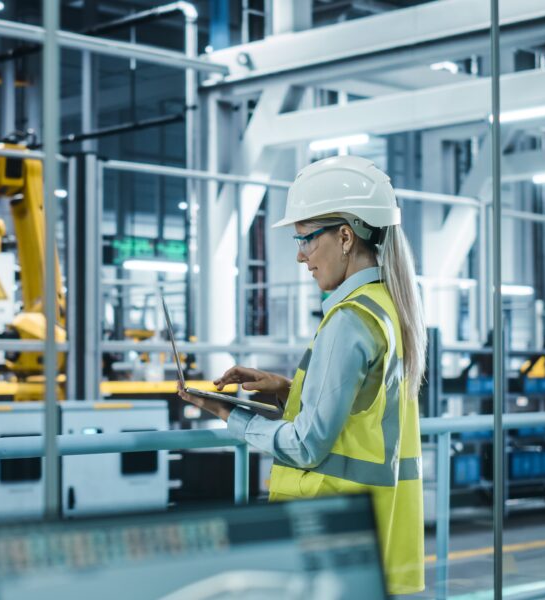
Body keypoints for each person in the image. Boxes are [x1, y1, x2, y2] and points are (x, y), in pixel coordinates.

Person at [178, 156, 426, 595]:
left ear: (346, 237)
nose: (299, 255)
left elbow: (308, 445)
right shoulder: (388, 306)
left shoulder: (349, 319)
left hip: (330, 530)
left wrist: (227, 414)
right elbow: (362, 407)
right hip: (376, 527)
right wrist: (286, 390)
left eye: (306, 238)